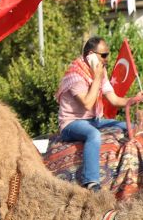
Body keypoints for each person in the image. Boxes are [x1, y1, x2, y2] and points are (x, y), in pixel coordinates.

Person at [55, 37, 132, 190]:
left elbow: (114, 99)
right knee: (93, 135)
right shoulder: (75, 74)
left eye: (108, 55)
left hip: (93, 120)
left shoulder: (100, 72)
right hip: (71, 123)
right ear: (91, 55)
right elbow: (88, 103)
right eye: (103, 55)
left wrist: (136, 99)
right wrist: (97, 77)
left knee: (129, 126)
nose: (107, 59)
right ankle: (91, 182)